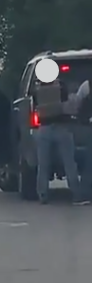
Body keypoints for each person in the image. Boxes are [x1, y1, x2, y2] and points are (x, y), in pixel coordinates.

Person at [32, 75, 88, 205]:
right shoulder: (61, 86)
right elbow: (68, 105)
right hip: (62, 128)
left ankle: (43, 194)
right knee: (69, 162)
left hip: (43, 128)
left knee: (43, 164)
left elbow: (36, 106)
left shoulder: (37, 89)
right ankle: (76, 194)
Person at [71, 77, 92, 201]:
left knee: (89, 163)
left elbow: (77, 105)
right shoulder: (86, 85)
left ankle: (84, 193)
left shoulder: (87, 85)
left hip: (87, 128)